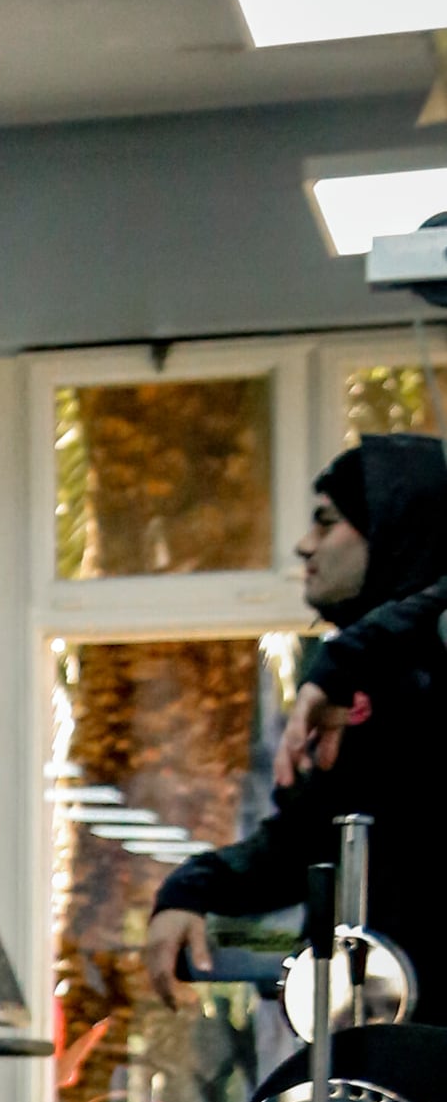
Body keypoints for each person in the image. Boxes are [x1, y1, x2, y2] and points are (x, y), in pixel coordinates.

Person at [144, 434, 447, 1015]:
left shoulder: (422, 667)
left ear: (394, 529)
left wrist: (343, 664)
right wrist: (189, 891)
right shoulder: (361, 687)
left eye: (327, 523)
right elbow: (300, 845)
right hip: (373, 1046)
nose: (304, 547)